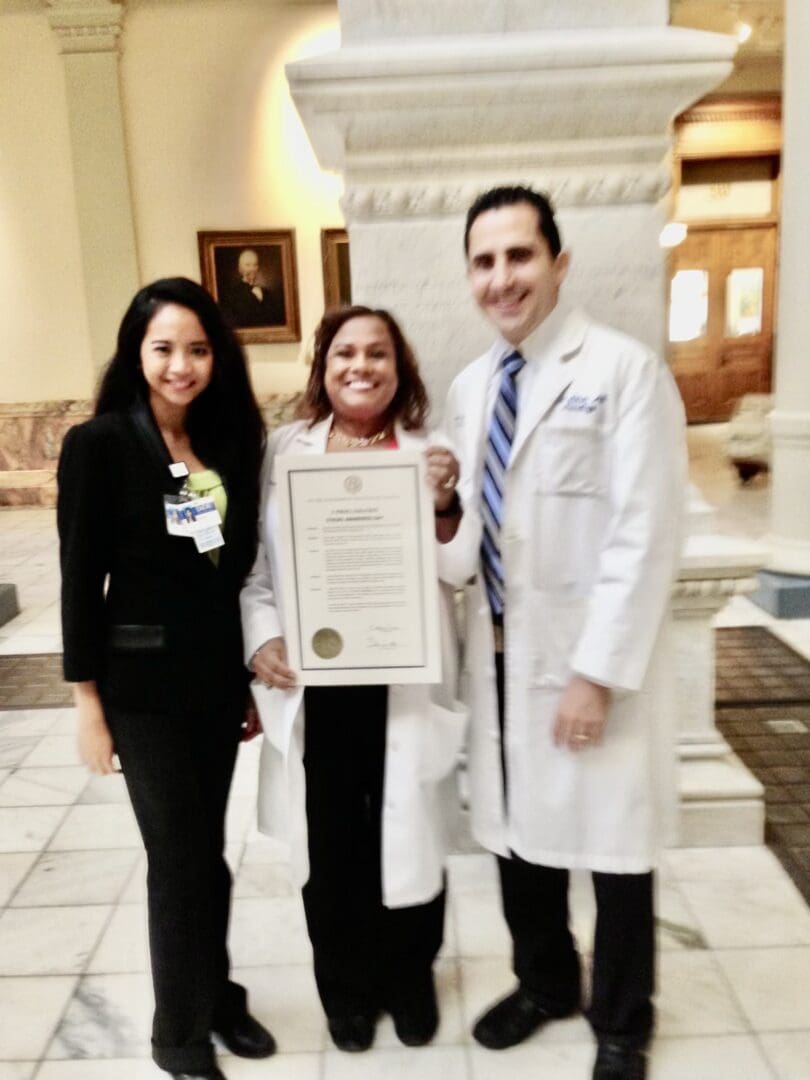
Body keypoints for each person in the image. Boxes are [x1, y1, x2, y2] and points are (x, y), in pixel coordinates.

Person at [436, 186, 687, 1080]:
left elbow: (648, 534)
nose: (501, 279)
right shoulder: (471, 389)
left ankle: (623, 1020)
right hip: (498, 660)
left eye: (518, 256)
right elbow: (463, 555)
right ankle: (546, 985)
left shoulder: (623, 371)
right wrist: (437, 510)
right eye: (484, 261)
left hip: (585, 662)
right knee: (516, 840)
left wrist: (596, 675)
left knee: (614, 849)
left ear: (558, 263)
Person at [57, 277, 273, 1080]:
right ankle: (178, 1038)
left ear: (216, 356)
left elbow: (227, 572)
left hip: (214, 685)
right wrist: (88, 705)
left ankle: (216, 994)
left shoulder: (225, 442)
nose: (180, 364)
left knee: (204, 850)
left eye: (197, 349)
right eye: (163, 348)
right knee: (177, 858)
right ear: (136, 353)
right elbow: (81, 579)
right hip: (141, 691)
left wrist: (248, 680)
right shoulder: (103, 443)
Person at [239, 305, 466, 1053]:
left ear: (399, 371)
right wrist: (262, 641)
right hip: (318, 679)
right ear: (322, 366)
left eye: (377, 354)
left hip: (402, 676)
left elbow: (461, 569)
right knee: (331, 846)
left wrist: (442, 502)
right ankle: (344, 989)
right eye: (344, 354)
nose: (360, 366)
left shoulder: (429, 453)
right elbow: (256, 573)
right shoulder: (283, 453)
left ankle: (410, 980)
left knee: (409, 837)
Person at [220, 248, 285, 328]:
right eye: (248, 265)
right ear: (240, 269)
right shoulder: (232, 294)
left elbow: (273, 319)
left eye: (255, 265)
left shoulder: (266, 293)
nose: (252, 268)